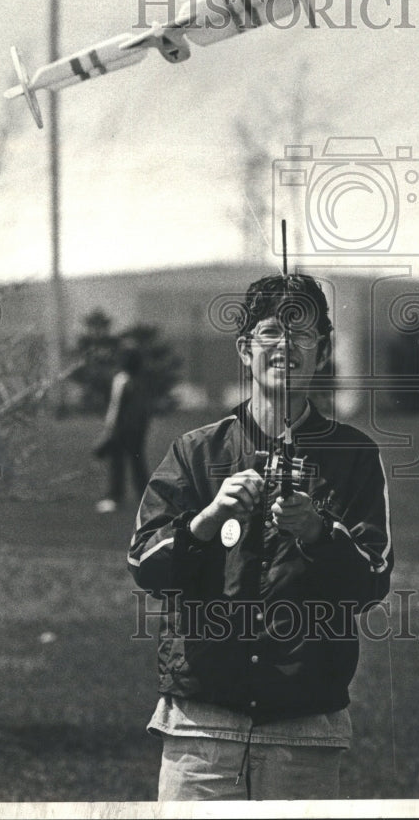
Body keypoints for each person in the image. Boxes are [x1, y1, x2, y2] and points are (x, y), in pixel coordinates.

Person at [127, 273, 393, 800]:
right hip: (200, 727)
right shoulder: (195, 451)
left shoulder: (355, 456)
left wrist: (318, 533)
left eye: (303, 332)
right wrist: (207, 518)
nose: (287, 345)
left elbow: (373, 581)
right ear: (244, 349)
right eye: (271, 331)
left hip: (304, 729)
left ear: (322, 350)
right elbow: (145, 566)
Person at [94, 347, 150, 513]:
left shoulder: (121, 380)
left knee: (117, 464)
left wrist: (108, 429)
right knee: (138, 464)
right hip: (137, 428)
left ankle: (114, 497)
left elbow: (116, 406)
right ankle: (147, 498)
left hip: (121, 428)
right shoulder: (139, 381)